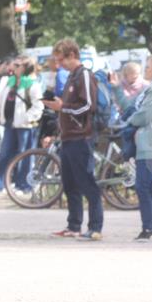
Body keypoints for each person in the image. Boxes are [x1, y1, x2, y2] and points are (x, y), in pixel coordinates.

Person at [43, 38, 104, 241]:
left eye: (61, 59)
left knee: (87, 182)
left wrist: (63, 107)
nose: (59, 64)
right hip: (68, 137)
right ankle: (73, 225)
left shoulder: (84, 75)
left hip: (81, 136)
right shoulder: (71, 76)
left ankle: (95, 227)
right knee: (69, 184)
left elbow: (88, 106)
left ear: (72, 55)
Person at [109, 55, 152, 241]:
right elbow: (130, 106)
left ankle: (148, 229)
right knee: (149, 186)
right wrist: (116, 88)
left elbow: (144, 116)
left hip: (151, 144)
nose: (146, 70)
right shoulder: (150, 89)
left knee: (143, 186)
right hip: (146, 143)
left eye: (149, 67)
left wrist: (129, 121)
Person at [0, 56, 44, 194]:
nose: (12, 67)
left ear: (25, 68)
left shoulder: (32, 85)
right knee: (4, 154)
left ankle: (24, 186)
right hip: (10, 124)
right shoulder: (10, 83)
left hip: (25, 127)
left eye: (17, 65)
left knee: (25, 156)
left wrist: (26, 119)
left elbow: (39, 107)